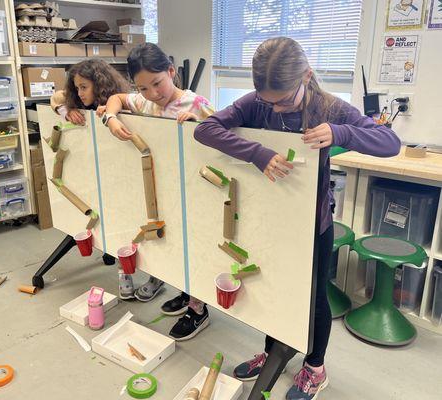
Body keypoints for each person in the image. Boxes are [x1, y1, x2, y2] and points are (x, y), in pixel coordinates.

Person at [194, 37, 401, 399]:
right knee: (272, 287)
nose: (273, 110)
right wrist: (257, 153)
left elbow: (390, 143)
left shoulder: (329, 108)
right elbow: (205, 129)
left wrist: (341, 133)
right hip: (269, 218)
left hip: (312, 225)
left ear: (306, 77)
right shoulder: (258, 102)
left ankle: (314, 367)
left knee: (313, 297)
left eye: (283, 101)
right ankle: (274, 351)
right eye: (267, 102)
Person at [99, 42, 215, 341]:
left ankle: (199, 309)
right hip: (162, 191)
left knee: (195, 247)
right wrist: (110, 118)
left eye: (157, 83)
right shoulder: (145, 102)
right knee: (173, 246)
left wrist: (200, 123)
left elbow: (225, 132)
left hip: (194, 192)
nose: (153, 93)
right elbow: (115, 98)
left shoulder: (195, 102)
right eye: (143, 87)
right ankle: (185, 292)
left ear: (172, 72)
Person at [50, 59, 130, 266]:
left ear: (100, 84)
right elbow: (57, 97)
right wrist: (65, 111)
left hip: (116, 173)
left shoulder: (116, 103)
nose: (79, 94)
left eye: (84, 87)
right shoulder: (78, 103)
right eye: (76, 88)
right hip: (91, 172)